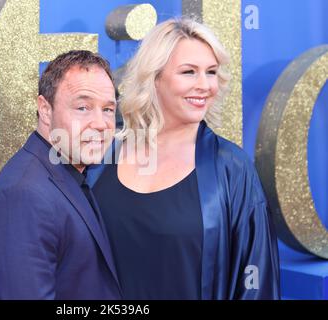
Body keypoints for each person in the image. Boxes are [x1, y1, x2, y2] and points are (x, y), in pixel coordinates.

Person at [90, 18, 280, 299]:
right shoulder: (102, 159)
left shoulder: (232, 168)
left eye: (211, 72)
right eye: (189, 72)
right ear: (154, 78)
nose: (204, 85)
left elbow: (256, 282)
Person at [0, 50, 121, 299]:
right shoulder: (22, 197)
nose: (100, 123)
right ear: (45, 109)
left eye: (108, 109)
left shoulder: (68, 173)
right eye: (83, 107)